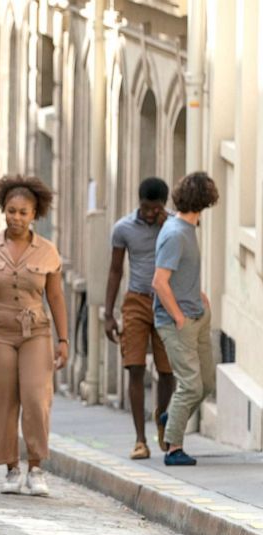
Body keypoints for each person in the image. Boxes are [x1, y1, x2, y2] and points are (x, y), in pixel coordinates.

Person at [0, 175, 68, 497]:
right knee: (3, 401)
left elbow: (57, 298)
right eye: (11, 211)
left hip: (36, 331)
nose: (16, 217)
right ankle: (11, 468)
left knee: (36, 398)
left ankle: (36, 467)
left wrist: (63, 340)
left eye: (23, 212)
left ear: (35, 214)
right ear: (3, 210)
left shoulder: (47, 252)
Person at [104, 178, 176, 459]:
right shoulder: (123, 228)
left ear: (163, 205)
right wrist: (109, 314)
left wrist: (165, 225)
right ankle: (140, 439)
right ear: (139, 202)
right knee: (134, 366)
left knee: (167, 370)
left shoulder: (173, 226)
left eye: (154, 208)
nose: (148, 213)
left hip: (166, 302)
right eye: (145, 208)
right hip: (135, 300)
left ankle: (162, 417)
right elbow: (114, 271)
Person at [152, 172, 219, 466]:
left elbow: (181, 274)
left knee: (204, 384)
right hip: (176, 322)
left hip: (197, 315)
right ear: (203, 200)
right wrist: (178, 317)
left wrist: (199, 294)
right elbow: (159, 281)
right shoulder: (176, 233)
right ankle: (173, 448)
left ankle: (171, 418)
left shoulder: (188, 228)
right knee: (190, 386)